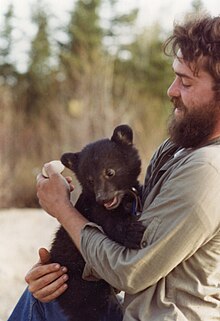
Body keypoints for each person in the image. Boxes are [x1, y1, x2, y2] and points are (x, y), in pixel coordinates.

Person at [8, 14, 220, 321]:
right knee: (44, 298)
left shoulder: (208, 171)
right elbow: (131, 234)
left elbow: (130, 271)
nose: (171, 90)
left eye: (186, 82)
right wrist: (59, 274)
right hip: (132, 310)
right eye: (175, 77)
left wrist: (63, 210)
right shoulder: (177, 149)